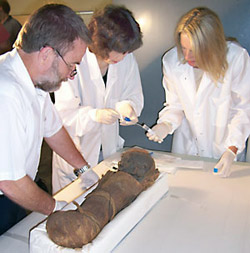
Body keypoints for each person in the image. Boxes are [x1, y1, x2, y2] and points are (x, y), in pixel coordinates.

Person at [0, 4, 92, 235]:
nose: (71, 75)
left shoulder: (35, 80)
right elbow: (9, 182)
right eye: (72, 65)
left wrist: (84, 168)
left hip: (17, 190)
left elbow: (53, 129)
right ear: (46, 53)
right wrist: (55, 208)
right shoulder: (6, 93)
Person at [147, 7, 250, 177]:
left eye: (194, 50)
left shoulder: (236, 59)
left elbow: (243, 109)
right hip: (187, 150)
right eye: (184, 48)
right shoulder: (172, 61)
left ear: (211, 46)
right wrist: (165, 124)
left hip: (224, 149)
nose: (187, 57)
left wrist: (232, 149)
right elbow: (175, 105)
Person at [52, 4, 144, 193]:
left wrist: (129, 106)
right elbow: (63, 116)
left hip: (108, 152)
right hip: (76, 156)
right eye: (120, 50)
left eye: (127, 51)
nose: (125, 56)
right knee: (71, 212)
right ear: (101, 43)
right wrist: (94, 116)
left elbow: (133, 93)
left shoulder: (125, 58)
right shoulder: (74, 59)